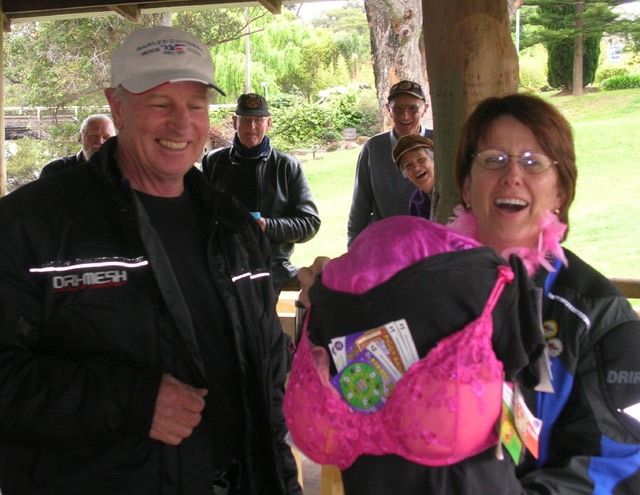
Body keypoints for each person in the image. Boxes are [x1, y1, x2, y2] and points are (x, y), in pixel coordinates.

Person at [0, 26, 301, 495]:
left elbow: (267, 384)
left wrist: (283, 482)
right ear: (116, 106)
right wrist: (132, 402)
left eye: (196, 105)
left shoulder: (235, 229)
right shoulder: (32, 225)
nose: (181, 124)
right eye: (160, 105)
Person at [290, 93, 640, 494]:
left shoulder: (596, 315)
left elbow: (619, 465)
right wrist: (334, 301)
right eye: (493, 159)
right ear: (468, 186)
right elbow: (349, 398)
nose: (512, 175)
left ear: (560, 192)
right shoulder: (411, 286)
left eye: (533, 162)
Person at [201, 93, 320, 296]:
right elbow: (197, 214)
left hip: (271, 270)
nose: (252, 127)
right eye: (246, 120)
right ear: (234, 122)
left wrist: (267, 225)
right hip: (222, 268)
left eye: (258, 120)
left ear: (269, 123)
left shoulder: (287, 166)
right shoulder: (213, 162)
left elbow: (309, 224)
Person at [347, 80, 433, 248]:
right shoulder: (373, 148)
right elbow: (360, 206)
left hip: (430, 244)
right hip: (386, 245)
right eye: (398, 109)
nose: (405, 116)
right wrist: (353, 248)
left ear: (424, 110)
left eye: (412, 108)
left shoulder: (441, 142)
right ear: (388, 110)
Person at [39, 113, 115, 177]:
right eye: (93, 136)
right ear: (81, 138)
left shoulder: (121, 172)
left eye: (106, 137)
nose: (100, 142)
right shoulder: (54, 171)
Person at [391, 134, 435, 218]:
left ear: (434, 161)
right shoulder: (416, 202)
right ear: (406, 174)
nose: (416, 168)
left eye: (421, 160)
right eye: (408, 165)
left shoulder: (460, 188)